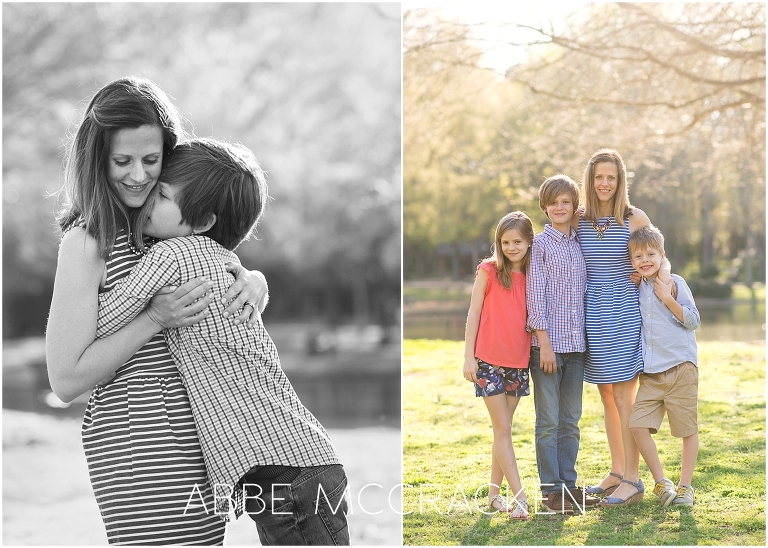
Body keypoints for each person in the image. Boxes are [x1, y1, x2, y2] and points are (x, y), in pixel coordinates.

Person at [46, 76, 268, 545]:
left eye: (152, 160)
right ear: (96, 162)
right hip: (135, 445)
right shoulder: (86, 244)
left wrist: (253, 282)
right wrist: (153, 318)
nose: (138, 175)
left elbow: (219, 273)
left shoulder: (175, 226)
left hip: (203, 440)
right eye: (122, 161)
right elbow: (65, 380)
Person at [96, 137, 349, 545]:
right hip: (301, 466)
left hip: (288, 475)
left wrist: (89, 283)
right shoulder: (223, 260)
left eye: (160, 195)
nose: (146, 201)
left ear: (202, 222)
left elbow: (106, 317)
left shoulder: (173, 255)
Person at [575, 148, 671, 507]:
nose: (604, 183)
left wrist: (661, 282)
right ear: (590, 179)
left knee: (623, 397)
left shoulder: (634, 217)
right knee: (605, 395)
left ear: (620, 181)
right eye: (599, 176)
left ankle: (633, 479)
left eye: (611, 177)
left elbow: (660, 256)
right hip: (591, 313)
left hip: (624, 312)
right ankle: (617, 470)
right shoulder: (579, 218)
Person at [527, 175, 597, 514]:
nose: (559, 207)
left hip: (577, 347)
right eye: (553, 202)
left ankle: (570, 487)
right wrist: (544, 341)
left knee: (571, 419)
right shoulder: (540, 245)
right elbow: (535, 296)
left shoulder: (579, 242)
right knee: (548, 422)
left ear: (574, 207)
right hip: (548, 348)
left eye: (566, 202)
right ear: (545, 206)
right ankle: (551, 492)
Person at [463, 211, 534, 521]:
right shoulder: (488, 271)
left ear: (529, 241)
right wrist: (469, 357)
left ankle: (493, 495)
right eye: (505, 242)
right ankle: (520, 498)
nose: (511, 247)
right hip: (488, 362)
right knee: (503, 429)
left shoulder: (534, 275)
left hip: (518, 363)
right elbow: (474, 314)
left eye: (517, 241)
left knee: (502, 431)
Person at [628, 226, 700, 507]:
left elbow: (694, 320)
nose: (645, 260)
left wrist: (668, 298)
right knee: (637, 426)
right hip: (651, 373)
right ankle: (661, 482)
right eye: (638, 256)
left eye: (650, 254)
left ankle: (685, 487)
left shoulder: (675, 283)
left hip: (681, 367)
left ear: (662, 256)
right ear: (632, 261)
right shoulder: (638, 285)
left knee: (687, 429)